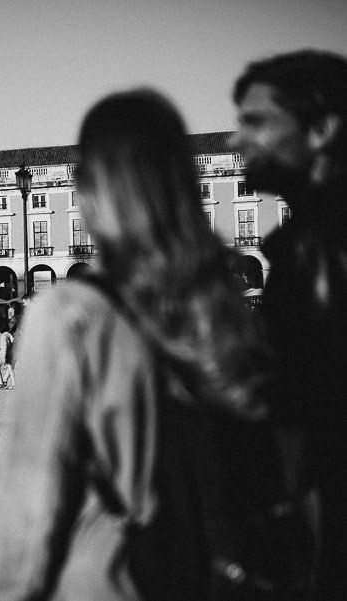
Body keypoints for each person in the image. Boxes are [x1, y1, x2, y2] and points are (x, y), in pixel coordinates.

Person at [0, 89, 274, 600]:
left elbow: (35, 499)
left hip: (117, 580)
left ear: (92, 190)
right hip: (217, 576)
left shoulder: (70, 315)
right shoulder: (227, 306)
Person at [230, 49, 347, 600]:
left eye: (256, 122)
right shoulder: (305, 244)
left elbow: (305, 421)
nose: (237, 140)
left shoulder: (318, 251)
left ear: (321, 130)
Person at [0, 325, 15, 390]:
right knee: (10, 368)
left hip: (4, 354)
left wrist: (4, 357)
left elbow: (5, 347)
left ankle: (1, 383)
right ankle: (4, 381)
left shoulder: (4, 336)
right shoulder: (9, 334)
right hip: (11, 353)